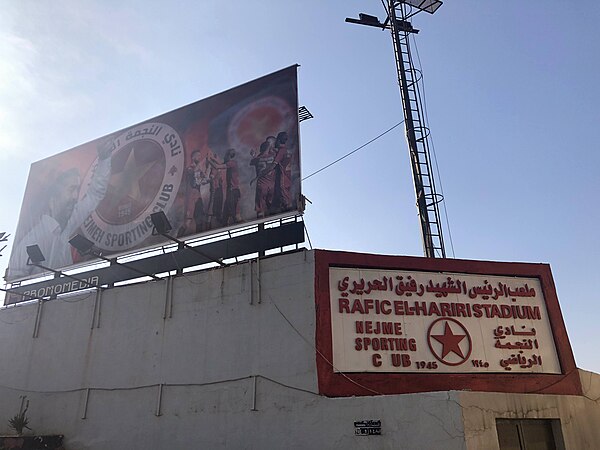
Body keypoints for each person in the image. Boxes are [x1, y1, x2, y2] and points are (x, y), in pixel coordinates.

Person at [7, 141, 113, 280]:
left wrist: (104, 159)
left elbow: (94, 195)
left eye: (77, 189)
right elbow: (14, 277)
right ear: (54, 196)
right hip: (39, 299)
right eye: (71, 190)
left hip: (63, 295)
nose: (76, 197)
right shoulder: (33, 240)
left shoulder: (67, 224)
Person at [208, 149, 241, 226]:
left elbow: (217, 166)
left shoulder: (232, 163)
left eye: (225, 155)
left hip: (233, 192)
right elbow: (219, 163)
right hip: (231, 192)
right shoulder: (231, 163)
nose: (224, 157)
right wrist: (213, 158)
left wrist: (209, 160)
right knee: (225, 215)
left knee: (234, 214)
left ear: (229, 155)